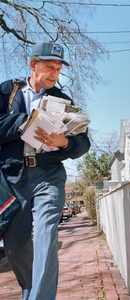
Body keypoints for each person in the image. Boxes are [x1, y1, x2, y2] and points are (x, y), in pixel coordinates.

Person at [0, 42, 90, 299]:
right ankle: (32, 292)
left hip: (48, 176)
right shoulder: (8, 91)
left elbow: (83, 142)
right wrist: (23, 122)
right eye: (49, 66)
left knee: (45, 235)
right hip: (13, 179)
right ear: (33, 65)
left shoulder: (64, 101)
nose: (54, 73)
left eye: (58, 69)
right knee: (16, 248)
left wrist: (65, 142)